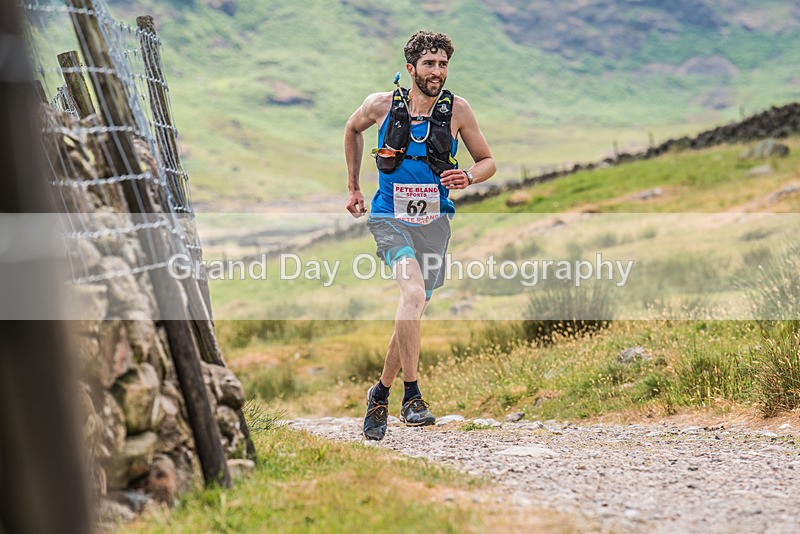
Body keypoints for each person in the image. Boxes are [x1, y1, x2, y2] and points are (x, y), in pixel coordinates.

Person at [344, 30, 496, 441]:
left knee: (415, 307)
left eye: (443, 64)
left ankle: (380, 394)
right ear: (411, 68)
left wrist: (467, 175)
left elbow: (488, 162)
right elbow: (351, 129)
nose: (437, 72)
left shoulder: (458, 110)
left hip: (435, 222)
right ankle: (412, 396)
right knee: (411, 296)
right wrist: (354, 187)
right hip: (389, 217)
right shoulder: (381, 105)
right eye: (429, 64)